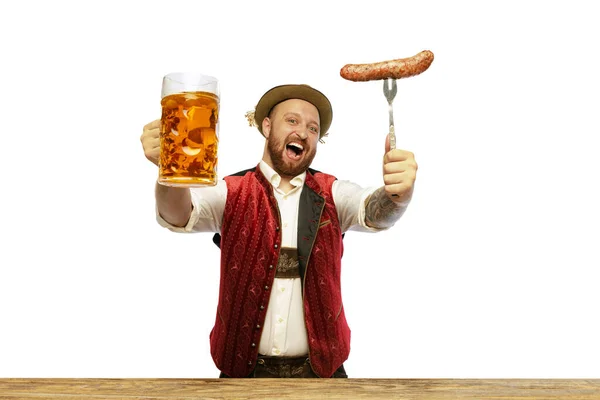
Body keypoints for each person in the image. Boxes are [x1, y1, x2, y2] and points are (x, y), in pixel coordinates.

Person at [140, 84, 417, 378]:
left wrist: (399, 195)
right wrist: (168, 169)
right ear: (267, 126)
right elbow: (178, 214)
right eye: (293, 121)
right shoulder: (231, 192)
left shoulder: (332, 193)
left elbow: (375, 212)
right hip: (242, 374)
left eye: (313, 128)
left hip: (323, 375)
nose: (303, 132)